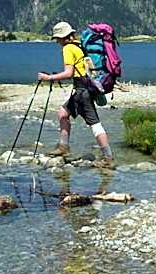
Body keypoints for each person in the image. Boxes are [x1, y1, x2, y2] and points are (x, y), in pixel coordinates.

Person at [39, 21, 115, 170]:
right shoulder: (79, 45)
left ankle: (108, 158)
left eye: (57, 38)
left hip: (82, 92)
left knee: (94, 124)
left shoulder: (68, 48)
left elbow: (69, 73)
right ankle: (63, 147)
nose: (56, 42)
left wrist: (48, 78)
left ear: (62, 37)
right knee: (63, 113)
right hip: (86, 88)